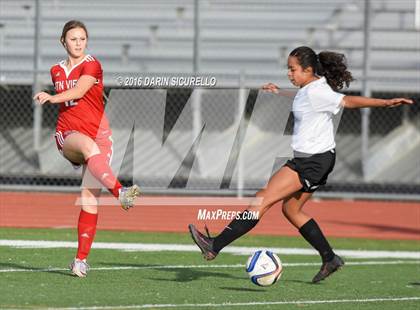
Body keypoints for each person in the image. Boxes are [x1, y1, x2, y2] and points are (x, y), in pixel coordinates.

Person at [189, 46, 413, 283]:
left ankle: (214, 245)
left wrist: (385, 102)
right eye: (288, 69)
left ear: (308, 70)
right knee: (291, 210)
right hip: (315, 160)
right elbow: (303, 98)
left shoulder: (319, 92)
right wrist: (279, 92)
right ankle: (329, 258)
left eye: (292, 69)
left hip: (312, 162)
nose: (289, 73)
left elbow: (348, 101)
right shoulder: (309, 89)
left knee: (261, 199)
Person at [33, 20, 141, 278]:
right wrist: (53, 96)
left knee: (89, 199)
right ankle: (121, 193)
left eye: (82, 39)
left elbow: (80, 91)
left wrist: (51, 96)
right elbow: (73, 98)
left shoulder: (92, 64)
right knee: (86, 145)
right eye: (73, 39)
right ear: (63, 42)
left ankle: (80, 261)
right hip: (68, 134)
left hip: (100, 139)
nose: (78, 43)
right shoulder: (56, 70)